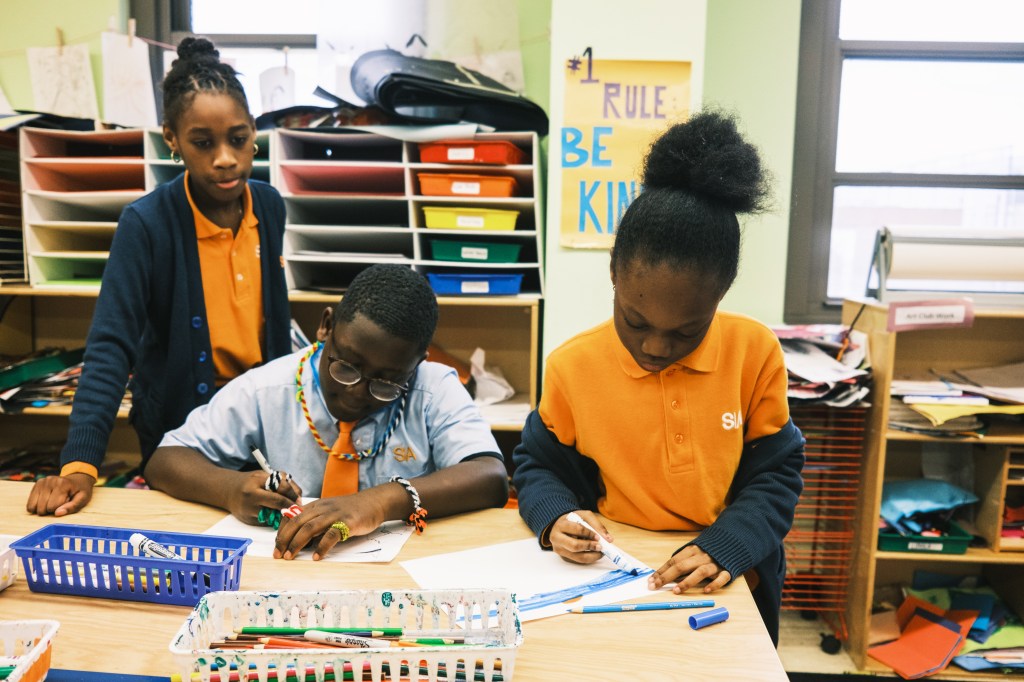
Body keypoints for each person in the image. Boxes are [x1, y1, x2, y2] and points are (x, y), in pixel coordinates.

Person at [511, 110, 805, 646]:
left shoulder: (755, 352)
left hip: (723, 581)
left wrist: (728, 545)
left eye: (687, 331)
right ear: (613, 277)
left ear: (722, 295)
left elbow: (776, 476)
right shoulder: (572, 366)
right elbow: (536, 465)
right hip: (611, 578)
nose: (655, 347)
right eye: (636, 320)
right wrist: (555, 517)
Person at [26, 37, 291, 517]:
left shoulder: (270, 205)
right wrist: (80, 463)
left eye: (237, 138)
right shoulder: (146, 223)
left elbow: (274, 328)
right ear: (171, 138)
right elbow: (110, 346)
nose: (226, 158)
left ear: (254, 130)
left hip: (263, 424)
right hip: (181, 437)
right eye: (203, 143)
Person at [144, 264, 509, 561]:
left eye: (386, 382)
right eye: (346, 366)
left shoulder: (432, 388)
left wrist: (380, 502)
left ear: (416, 364)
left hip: (405, 574)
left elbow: (490, 477)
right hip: (291, 573)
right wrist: (228, 489)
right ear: (326, 325)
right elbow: (164, 460)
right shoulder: (267, 387)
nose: (356, 391)